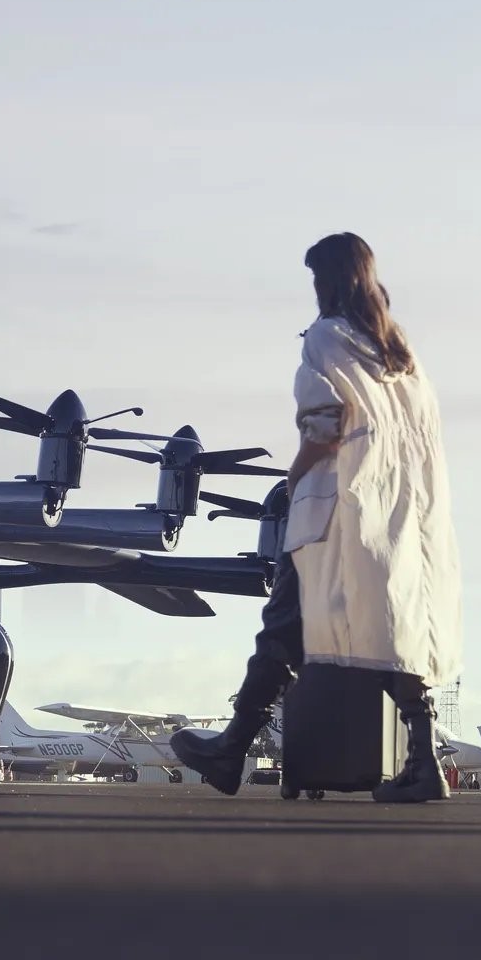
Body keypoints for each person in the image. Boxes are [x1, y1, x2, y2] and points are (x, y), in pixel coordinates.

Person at [173, 232, 460, 802]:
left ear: (327, 280)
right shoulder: (400, 353)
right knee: (389, 629)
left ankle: (231, 751)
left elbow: (323, 425)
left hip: (336, 511)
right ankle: (424, 761)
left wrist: (294, 476)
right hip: (400, 515)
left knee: (285, 623)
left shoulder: (327, 338)